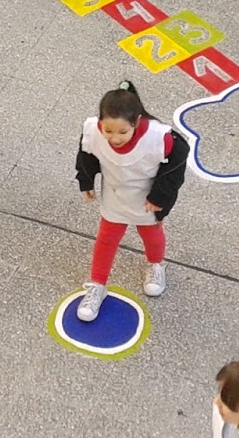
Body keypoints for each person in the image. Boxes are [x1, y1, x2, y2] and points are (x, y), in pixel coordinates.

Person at [73, 81, 188, 321]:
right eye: (108, 131)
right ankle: (97, 284)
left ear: (136, 122)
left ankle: (156, 265)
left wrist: (160, 196)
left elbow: (176, 166)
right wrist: (86, 181)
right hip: (115, 195)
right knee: (106, 239)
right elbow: (86, 155)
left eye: (122, 132)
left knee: (151, 234)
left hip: (146, 199)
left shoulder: (160, 137)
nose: (115, 138)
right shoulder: (93, 131)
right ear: (101, 122)